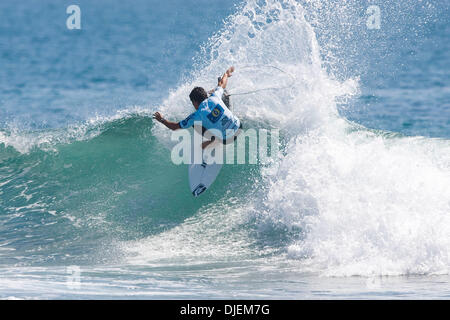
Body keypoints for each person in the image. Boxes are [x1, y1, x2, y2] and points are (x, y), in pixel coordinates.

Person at [153, 66, 242, 149]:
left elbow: (175, 127)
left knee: (194, 124)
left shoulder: (196, 116)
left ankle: (213, 139)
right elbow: (222, 83)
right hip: (239, 126)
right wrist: (227, 73)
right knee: (222, 92)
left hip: (227, 139)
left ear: (195, 102)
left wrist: (161, 119)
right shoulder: (215, 96)